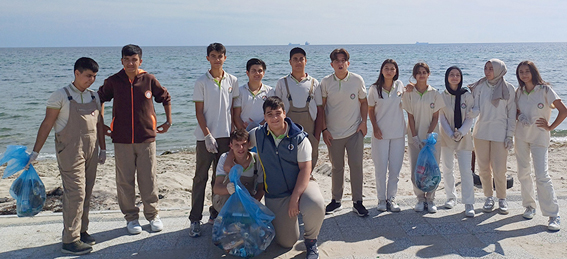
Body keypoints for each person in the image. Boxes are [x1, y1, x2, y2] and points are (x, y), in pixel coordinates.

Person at [26, 57, 105, 255]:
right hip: (69, 151)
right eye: (88, 76)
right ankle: (70, 240)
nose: (91, 80)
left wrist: (103, 149)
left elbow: (100, 125)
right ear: (76, 73)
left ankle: (81, 231)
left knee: (87, 191)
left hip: (91, 150)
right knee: (75, 193)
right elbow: (46, 124)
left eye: (94, 76)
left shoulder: (95, 97)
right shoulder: (60, 96)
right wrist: (35, 152)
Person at [98, 44, 172, 235]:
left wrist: (168, 121)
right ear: (122, 61)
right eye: (127, 59)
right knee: (125, 181)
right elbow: (99, 99)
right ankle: (131, 218)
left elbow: (165, 97)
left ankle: (153, 215)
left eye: (134, 59)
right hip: (121, 139)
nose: (131, 63)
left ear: (140, 61)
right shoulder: (114, 81)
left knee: (148, 178)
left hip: (146, 137)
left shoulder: (148, 79)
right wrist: (102, 123)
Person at [249, 96, 325, 259]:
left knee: (316, 204)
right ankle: (286, 223)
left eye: (278, 113)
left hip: (302, 185)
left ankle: (311, 242)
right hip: (276, 193)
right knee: (286, 242)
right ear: (264, 117)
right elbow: (239, 145)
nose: (274, 118)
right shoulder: (258, 134)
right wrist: (226, 161)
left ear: (285, 113)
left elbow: (305, 169)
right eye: (270, 114)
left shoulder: (299, 138)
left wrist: (295, 198)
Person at [189, 42, 239, 237]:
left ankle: (216, 213)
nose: (217, 59)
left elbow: (234, 110)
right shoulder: (201, 82)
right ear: (208, 58)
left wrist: (235, 132)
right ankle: (194, 219)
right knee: (200, 178)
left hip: (226, 137)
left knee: (220, 178)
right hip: (205, 138)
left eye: (220, 56)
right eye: (213, 56)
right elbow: (199, 112)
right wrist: (207, 134)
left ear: (225, 57)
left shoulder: (232, 80)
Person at [514, 61, 565, 231]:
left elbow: (563, 110)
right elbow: (515, 111)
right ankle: (529, 206)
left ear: (533, 72)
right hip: (521, 136)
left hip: (539, 138)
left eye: (527, 71)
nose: (524, 74)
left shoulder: (545, 90)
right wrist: (519, 116)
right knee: (523, 172)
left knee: (542, 175)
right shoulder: (518, 92)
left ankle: (553, 214)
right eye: (521, 72)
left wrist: (551, 127)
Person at [319, 48, 369, 217]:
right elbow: (321, 108)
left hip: (355, 131)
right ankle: (336, 201)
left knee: (356, 166)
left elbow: (364, 102)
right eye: (336, 61)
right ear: (332, 64)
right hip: (333, 133)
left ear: (348, 63)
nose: (340, 63)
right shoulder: (326, 82)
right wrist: (324, 130)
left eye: (343, 60)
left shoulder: (357, 80)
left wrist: (364, 122)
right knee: (337, 167)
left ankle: (358, 202)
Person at [469, 59, 516, 215]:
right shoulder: (479, 86)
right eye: (485, 68)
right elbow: (475, 108)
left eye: (491, 69)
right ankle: (488, 197)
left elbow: (511, 114)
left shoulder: (509, 88)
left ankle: (502, 198)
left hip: (500, 134)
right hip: (481, 132)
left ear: (499, 70)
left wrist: (510, 135)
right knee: (483, 168)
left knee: (499, 169)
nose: (487, 71)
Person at [402, 62, 445, 213]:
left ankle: (431, 198)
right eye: (418, 72)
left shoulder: (434, 93)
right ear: (414, 75)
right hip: (415, 137)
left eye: (424, 72)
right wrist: (414, 136)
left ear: (428, 74)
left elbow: (435, 117)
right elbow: (410, 117)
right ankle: (420, 198)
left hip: (432, 138)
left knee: (432, 168)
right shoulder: (409, 94)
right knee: (417, 168)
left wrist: (429, 134)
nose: (421, 74)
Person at [275, 47, 323, 170]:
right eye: (295, 59)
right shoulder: (282, 83)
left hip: (310, 133)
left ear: (306, 61)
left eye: (301, 59)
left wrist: (317, 137)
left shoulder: (314, 83)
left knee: (308, 166)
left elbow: (320, 112)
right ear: (290, 62)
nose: (298, 62)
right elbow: (276, 111)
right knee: (288, 166)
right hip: (287, 133)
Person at [368, 59, 406, 212]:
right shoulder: (374, 89)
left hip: (398, 133)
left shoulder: (400, 86)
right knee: (381, 169)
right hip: (380, 134)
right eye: (386, 68)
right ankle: (381, 200)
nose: (389, 71)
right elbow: (370, 110)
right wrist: (375, 128)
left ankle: (391, 198)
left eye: (392, 68)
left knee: (395, 169)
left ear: (396, 71)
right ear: (382, 70)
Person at [438, 66, 476, 217]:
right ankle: (450, 197)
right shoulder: (442, 95)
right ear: (447, 77)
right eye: (451, 75)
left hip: (464, 136)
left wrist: (461, 133)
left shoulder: (467, 95)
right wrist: (450, 133)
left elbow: (470, 117)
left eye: (457, 75)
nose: (454, 77)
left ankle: (469, 202)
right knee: (447, 168)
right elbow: (442, 117)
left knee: (466, 170)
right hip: (446, 137)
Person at [212, 129, 264, 212]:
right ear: (231, 146)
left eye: (244, 144)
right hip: (225, 202)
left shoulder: (257, 160)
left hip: (247, 202)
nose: (241, 148)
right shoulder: (224, 158)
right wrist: (227, 189)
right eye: (237, 145)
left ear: (249, 144)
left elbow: (261, 189)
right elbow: (216, 188)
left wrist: (254, 203)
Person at [234, 58, 273, 131]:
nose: (257, 73)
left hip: (264, 131)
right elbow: (236, 116)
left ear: (263, 73)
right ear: (247, 73)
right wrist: (244, 132)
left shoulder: (269, 91)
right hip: (244, 133)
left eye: (260, 71)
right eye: (253, 71)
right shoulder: (240, 91)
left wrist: (258, 128)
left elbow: (271, 114)